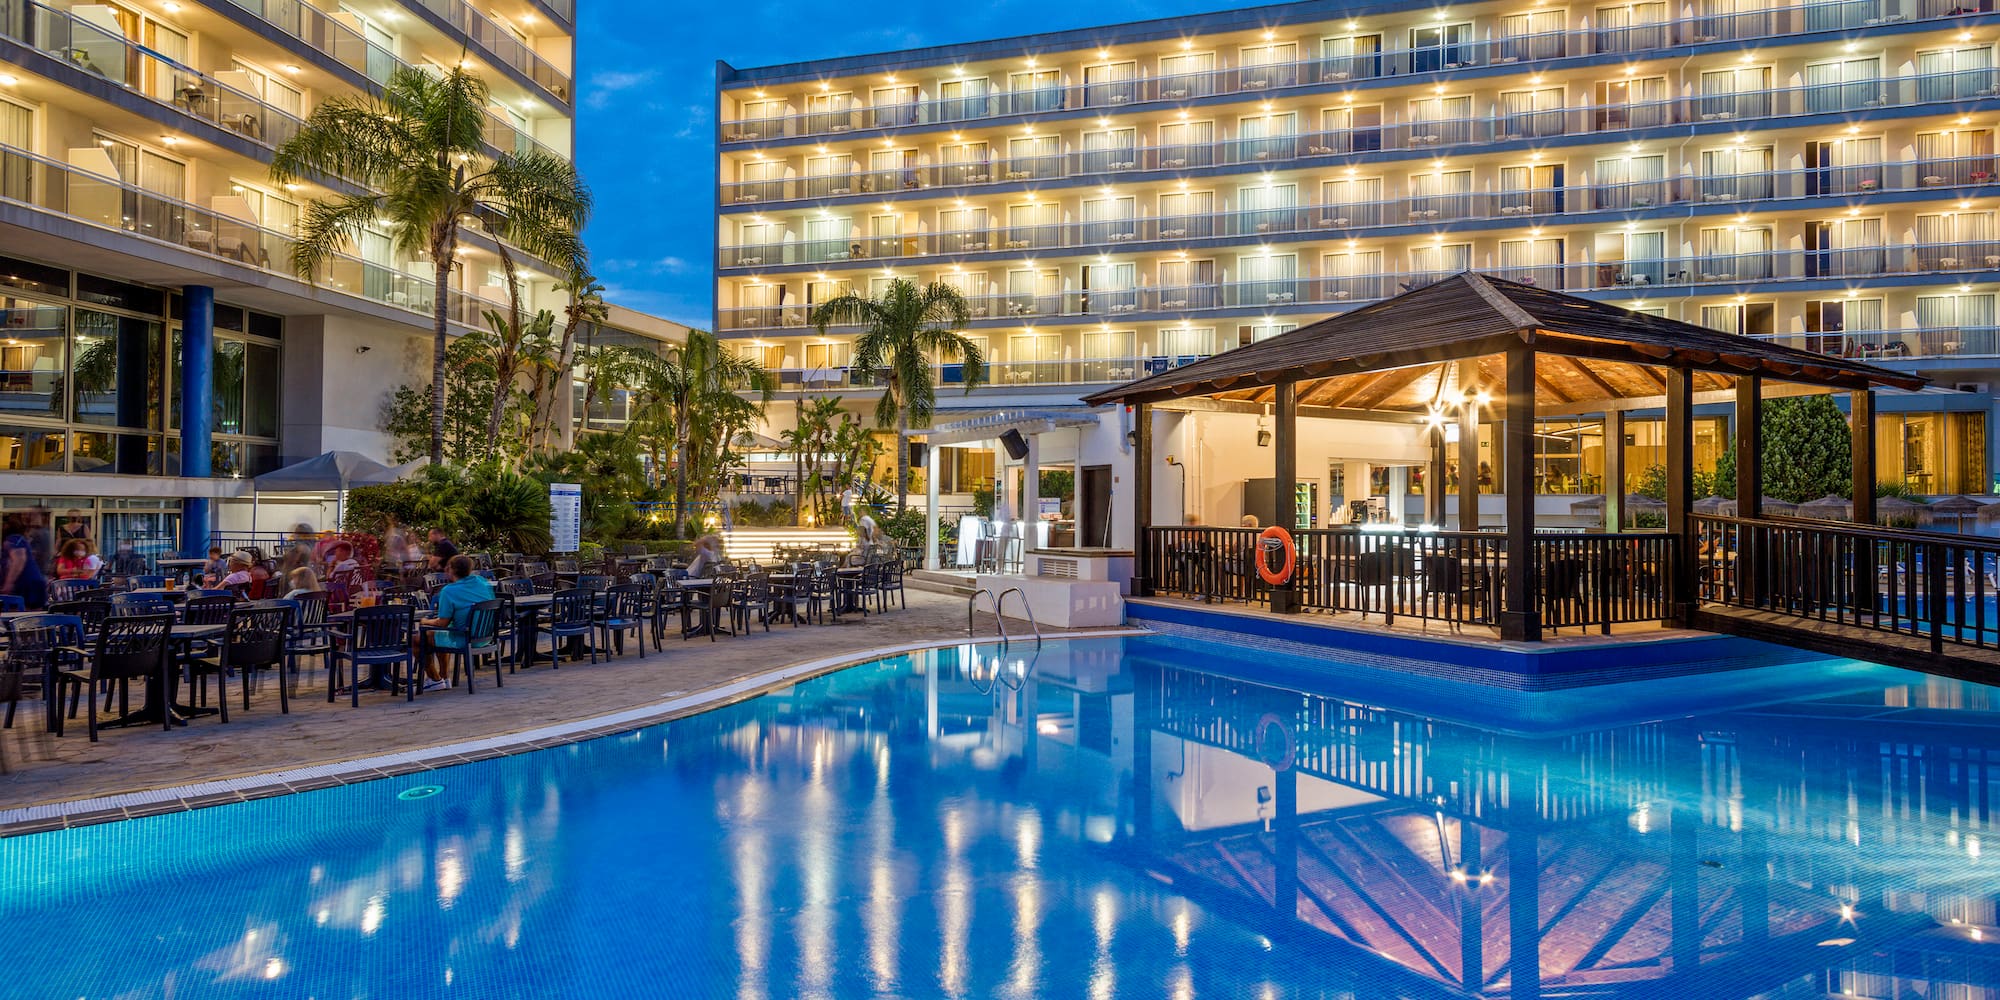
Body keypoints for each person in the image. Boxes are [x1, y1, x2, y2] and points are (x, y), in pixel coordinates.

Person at [419, 554, 493, 691]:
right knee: (436, 634)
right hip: (485, 637)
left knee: (418, 638)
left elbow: (442, 623)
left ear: (451, 569)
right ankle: (444, 678)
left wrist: (425, 621)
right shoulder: (482, 582)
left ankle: (435, 679)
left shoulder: (449, 591)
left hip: (465, 638)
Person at [1, 514, 47, 609]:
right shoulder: (19, 540)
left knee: (26, 617)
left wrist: (8, 583)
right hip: (28, 584)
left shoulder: (14, 539)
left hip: (27, 585)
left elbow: (19, 559)